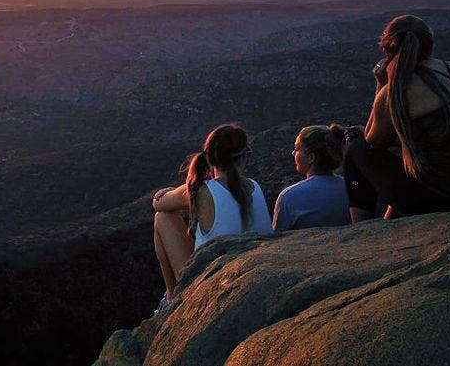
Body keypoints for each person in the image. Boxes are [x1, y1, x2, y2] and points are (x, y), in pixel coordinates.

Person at [343, 14, 450, 221]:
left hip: (443, 200)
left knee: (356, 149)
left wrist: (381, 85)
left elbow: (373, 141)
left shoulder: (395, 90)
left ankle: (362, 230)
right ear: (431, 45)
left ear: (387, 50)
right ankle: (389, 222)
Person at [151, 123, 272, 312]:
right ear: (243, 158)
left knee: (162, 217)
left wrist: (174, 192)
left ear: (209, 157)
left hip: (211, 286)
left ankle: (171, 298)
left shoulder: (200, 191)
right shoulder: (255, 187)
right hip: (253, 277)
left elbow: (158, 204)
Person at [272, 124, 352, 231]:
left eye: (297, 149)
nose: (293, 153)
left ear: (310, 157)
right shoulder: (350, 188)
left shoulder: (289, 197)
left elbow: (278, 238)